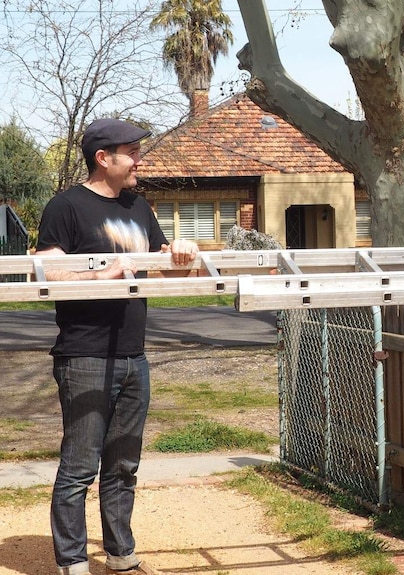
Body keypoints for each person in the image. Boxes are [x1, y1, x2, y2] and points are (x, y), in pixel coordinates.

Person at [35, 118, 199, 575]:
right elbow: (45, 275)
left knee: (124, 464)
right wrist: (102, 275)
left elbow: (169, 271)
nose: (139, 161)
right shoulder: (66, 206)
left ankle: (120, 554)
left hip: (134, 356)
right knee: (80, 466)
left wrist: (183, 253)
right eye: (132, 153)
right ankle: (71, 561)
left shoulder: (138, 207)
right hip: (84, 355)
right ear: (103, 158)